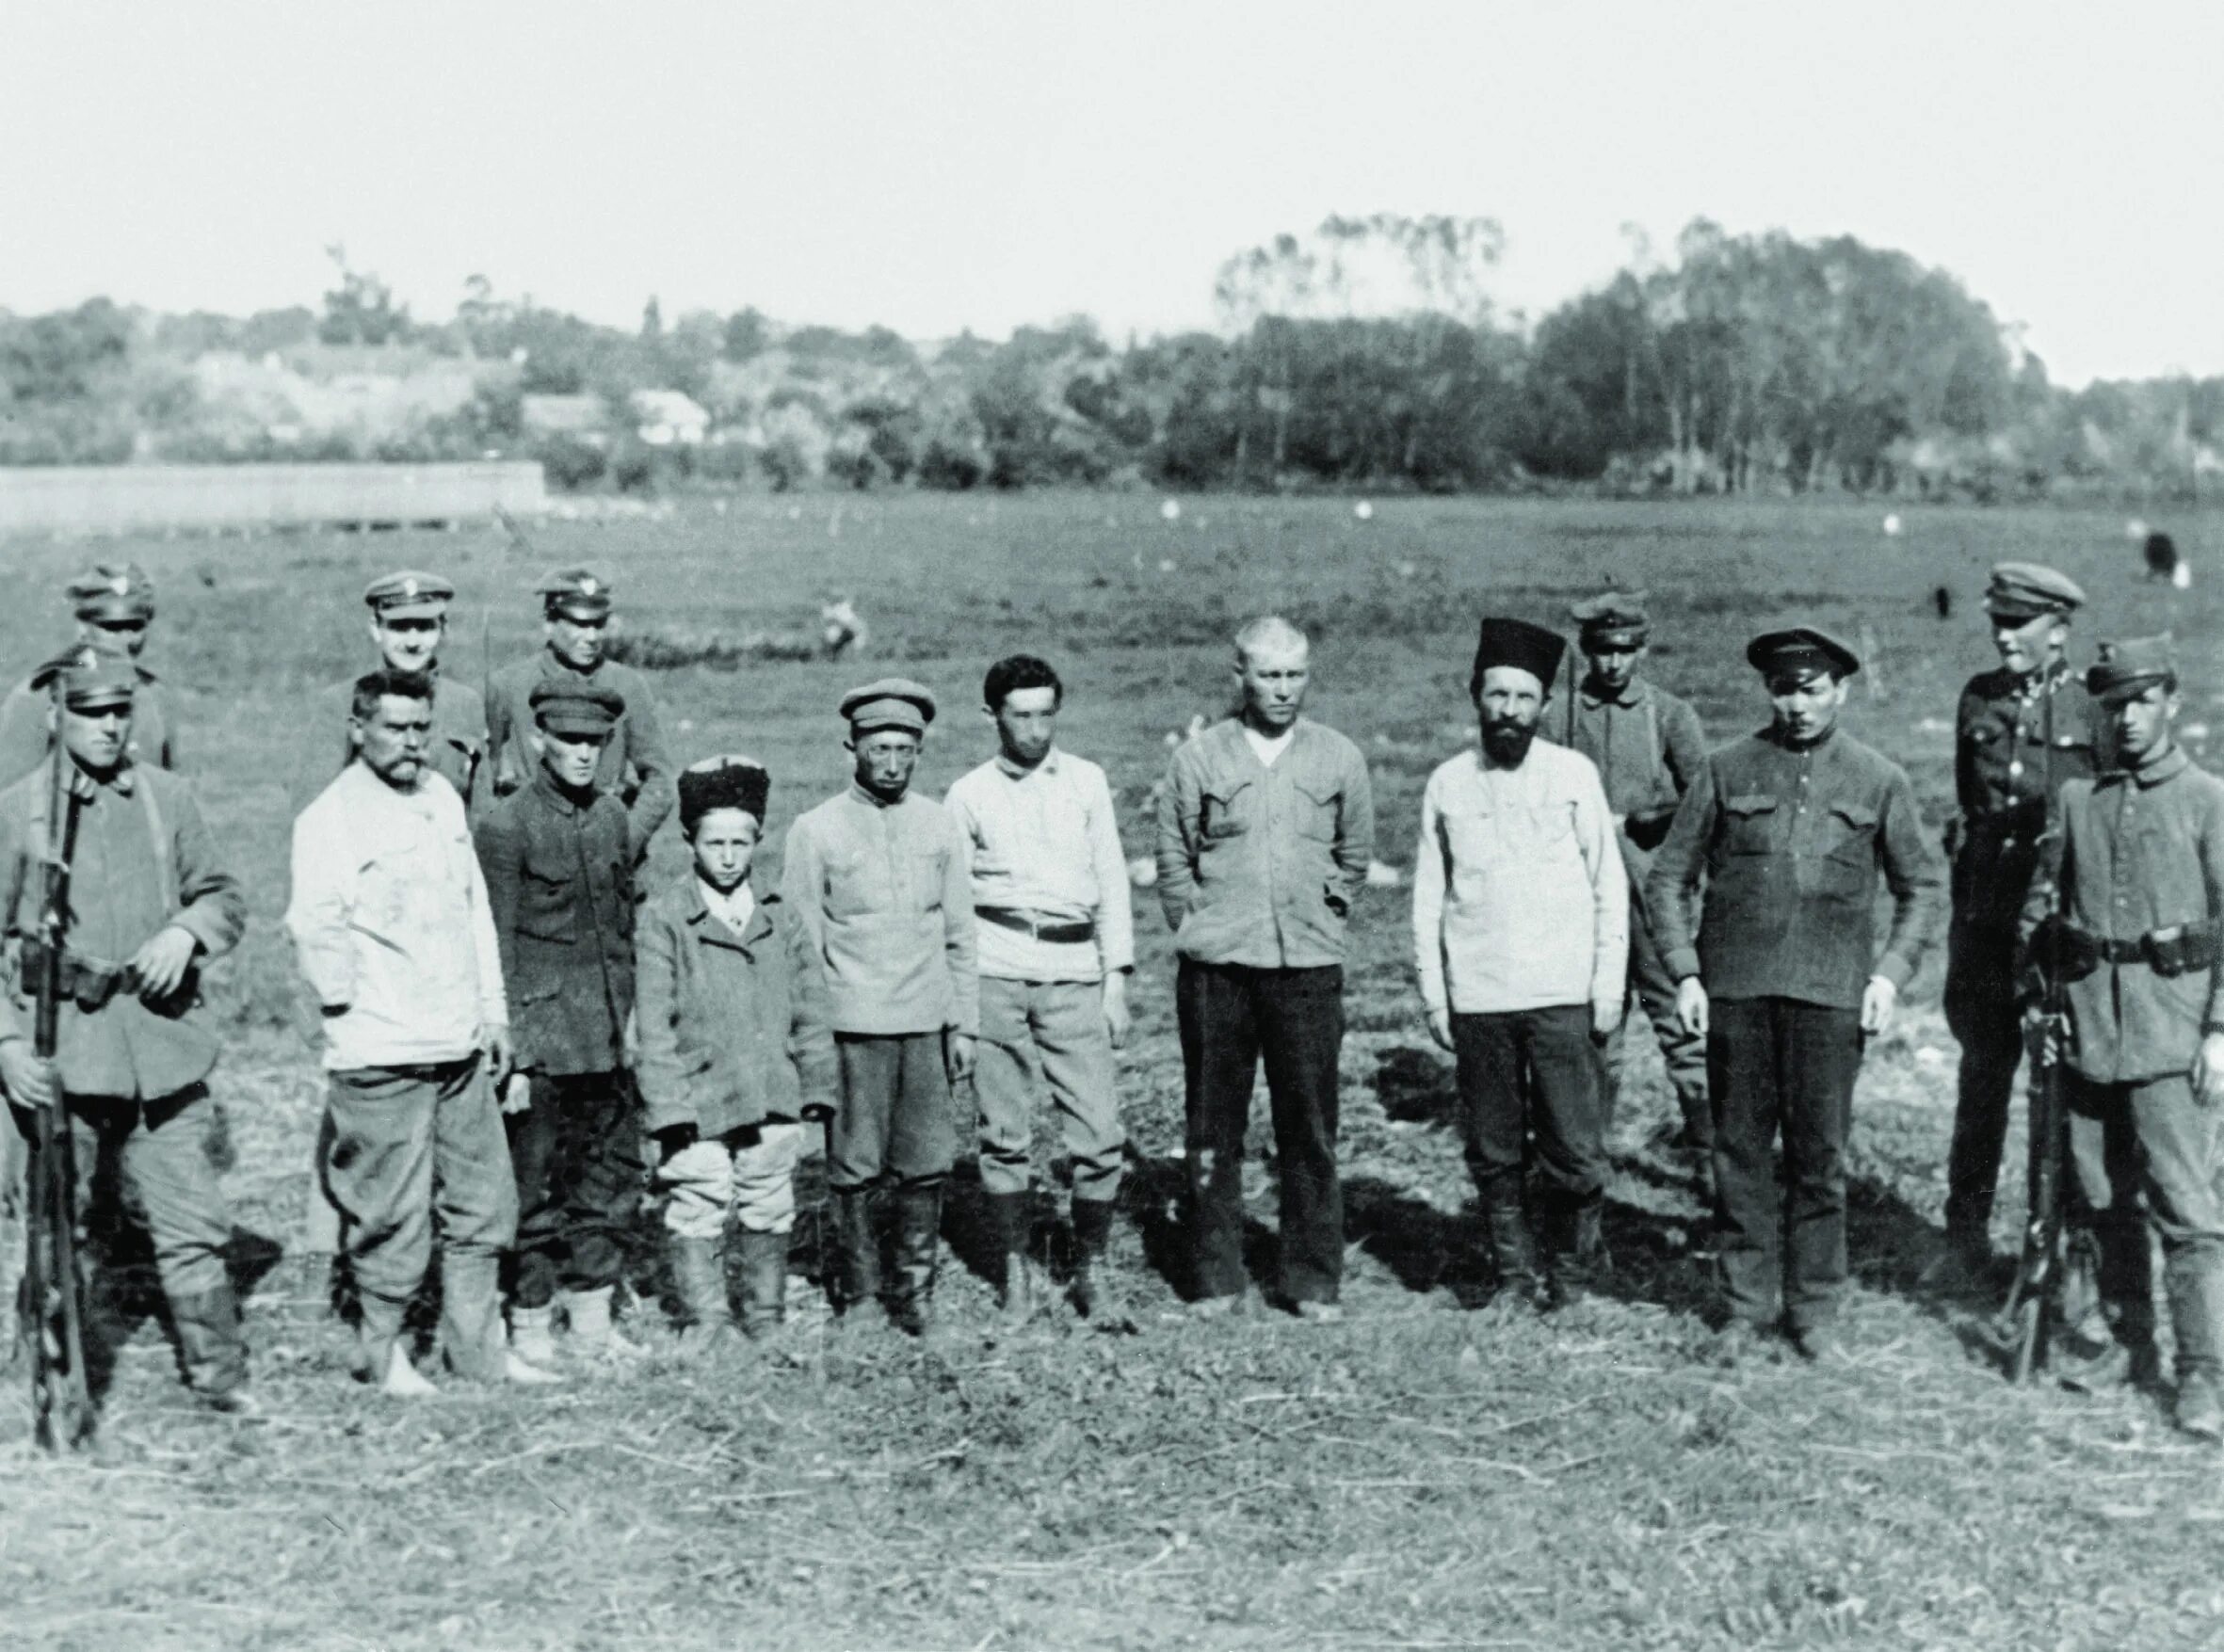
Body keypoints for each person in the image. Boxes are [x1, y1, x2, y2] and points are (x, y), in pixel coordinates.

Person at [1647, 626, 1945, 1361]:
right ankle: (1747, 1304)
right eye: (1785, 688)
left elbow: (1921, 887)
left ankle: (1814, 1309)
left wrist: (1889, 974)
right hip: (1737, 993)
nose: (1798, 703)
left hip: (1830, 995)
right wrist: (1686, 970)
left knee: (1819, 1158)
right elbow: (1667, 879)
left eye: (1813, 688)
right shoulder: (1725, 769)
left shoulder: (1879, 779)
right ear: (1768, 691)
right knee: (1739, 1151)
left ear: (1841, 689)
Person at [285, 667, 551, 1395]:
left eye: (421, 728)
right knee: (391, 1217)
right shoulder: (329, 819)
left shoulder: (440, 799)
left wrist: (491, 1012)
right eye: (395, 728)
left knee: (483, 1205)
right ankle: (383, 1350)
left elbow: (473, 916)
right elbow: (316, 930)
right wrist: (364, 1011)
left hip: (460, 1047)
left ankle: (477, 1352)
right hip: (383, 1055)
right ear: (357, 728)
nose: (411, 743)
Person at [0, 646, 249, 1412]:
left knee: (192, 1219)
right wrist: (6, 1045)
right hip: (64, 1050)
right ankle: (42, 1373)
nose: (109, 726)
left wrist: (187, 932)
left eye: (120, 710)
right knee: (57, 1222)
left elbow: (224, 895)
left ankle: (221, 1380)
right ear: (56, 715)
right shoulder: (19, 810)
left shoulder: (166, 798)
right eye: (91, 711)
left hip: (161, 1046)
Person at [2023, 636, 2224, 1438]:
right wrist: (2043, 998)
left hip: (2171, 1034)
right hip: (2087, 1031)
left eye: (2144, 700)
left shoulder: (2208, 799)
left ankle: (2204, 1371)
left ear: (2171, 701)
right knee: (2101, 1195)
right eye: (2116, 704)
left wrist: (2219, 1028)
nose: (2130, 718)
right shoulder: (2079, 801)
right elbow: (2046, 906)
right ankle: (2128, 1341)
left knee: (2185, 1206)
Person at [1154, 616, 1375, 1322]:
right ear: (1239, 677)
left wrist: (1326, 915)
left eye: (1294, 674)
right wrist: (1201, 924)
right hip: (1219, 972)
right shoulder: (1199, 759)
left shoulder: (1338, 757)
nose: (1282, 690)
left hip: (1307, 968)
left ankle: (1311, 1279)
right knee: (1214, 1127)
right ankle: (1216, 1277)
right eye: (1268, 675)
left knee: (1309, 1127)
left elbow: (1355, 853)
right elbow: (1171, 856)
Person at [1415, 617, 1627, 1308]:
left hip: (1562, 996)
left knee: (1573, 1149)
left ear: (1543, 706)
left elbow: (1609, 884)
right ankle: (1514, 1278)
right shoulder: (1447, 783)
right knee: (1495, 1149)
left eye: (1524, 698)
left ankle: (1570, 1278)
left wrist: (1606, 987)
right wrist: (1436, 997)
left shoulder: (1573, 775)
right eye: (1496, 694)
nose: (1509, 711)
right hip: (1479, 997)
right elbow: (1428, 897)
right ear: (1475, 695)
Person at [293, 569, 493, 1277]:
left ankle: (433, 1267)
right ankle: (327, 1259)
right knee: (361, 1103)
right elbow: (319, 829)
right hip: (374, 934)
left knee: (452, 1107)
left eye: (427, 626)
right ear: (375, 629)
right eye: (400, 626)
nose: (414, 639)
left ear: (443, 630)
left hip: (440, 923)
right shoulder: (346, 706)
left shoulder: (467, 704)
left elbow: (481, 815)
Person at [782, 680, 977, 1336]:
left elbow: (959, 933)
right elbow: (800, 944)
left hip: (925, 1022)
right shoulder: (816, 830)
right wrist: (810, 1039)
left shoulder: (939, 824)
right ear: (852, 749)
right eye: (879, 748)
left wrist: (965, 1024)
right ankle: (862, 1294)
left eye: (905, 749)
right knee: (855, 1166)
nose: (892, 762)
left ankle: (915, 1294)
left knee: (926, 1161)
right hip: (853, 1028)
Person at [945, 654, 1135, 1321]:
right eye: (1019, 714)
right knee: (1003, 1132)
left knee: (1098, 1131)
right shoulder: (968, 794)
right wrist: (961, 1010)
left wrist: (1115, 981)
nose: (1034, 728)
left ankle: (1092, 1266)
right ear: (992, 714)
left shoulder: (1086, 781)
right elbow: (953, 906)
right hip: (994, 973)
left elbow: (1111, 880)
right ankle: (1017, 1270)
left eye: (1045, 713)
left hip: (1074, 971)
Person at [637, 757, 836, 1354]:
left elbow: (810, 1006)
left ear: (757, 842)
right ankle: (707, 1319)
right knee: (698, 1199)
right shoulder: (666, 919)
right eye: (714, 842)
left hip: (770, 1089)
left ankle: (766, 1316)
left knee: (769, 1199)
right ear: (690, 842)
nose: (727, 856)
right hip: (698, 1094)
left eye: (740, 842)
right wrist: (667, 1105)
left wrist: (818, 1086)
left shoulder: (779, 915)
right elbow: (652, 1022)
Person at [1937, 562, 2098, 1286]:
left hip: (2053, 931)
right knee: (1982, 1077)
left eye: (2019, 625)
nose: (2004, 637)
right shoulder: (1979, 697)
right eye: (1997, 623)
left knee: (2059, 1087)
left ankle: (2060, 1251)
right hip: (1983, 922)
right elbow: (1970, 812)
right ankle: (1963, 1234)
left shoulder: (2093, 709)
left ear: (2059, 630)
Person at [475, 679, 642, 1365]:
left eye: (596, 743)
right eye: (571, 740)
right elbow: (494, 944)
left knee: (604, 1178)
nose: (584, 754)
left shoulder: (609, 818)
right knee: (535, 1184)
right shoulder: (506, 825)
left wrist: (628, 1024)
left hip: (604, 1035)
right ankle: (533, 1322)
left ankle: (594, 1319)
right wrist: (510, 1049)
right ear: (540, 740)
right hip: (540, 1043)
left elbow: (622, 929)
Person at [1555, 591, 1711, 1187]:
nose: (1612, 664)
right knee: (1597, 1026)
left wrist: (1659, 817)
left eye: (1624, 651)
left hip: (1652, 897)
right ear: (1586, 650)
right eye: (1601, 651)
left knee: (1681, 1023)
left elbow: (1704, 798)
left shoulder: (1669, 715)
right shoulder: (1561, 716)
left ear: (1642, 649)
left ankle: (1709, 1159)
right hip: (1583, 900)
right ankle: (1585, 1164)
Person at [487, 568, 673, 855]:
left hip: (606, 846)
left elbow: (660, 779)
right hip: (532, 848)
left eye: (599, 625)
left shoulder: (627, 685)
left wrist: (624, 843)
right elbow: (483, 776)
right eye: (579, 624)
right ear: (549, 622)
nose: (592, 636)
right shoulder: (509, 685)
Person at [0, 563, 178, 787]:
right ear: (83, 628)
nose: (126, 639)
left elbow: (170, 793)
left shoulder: (155, 695)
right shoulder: (38, 697)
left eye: (136, 626)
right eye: (112, 627)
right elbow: (8, 798)